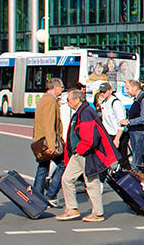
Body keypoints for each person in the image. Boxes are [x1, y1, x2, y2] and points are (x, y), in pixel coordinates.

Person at [58, 83, 115, 222]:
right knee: (68, 179)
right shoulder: (82, 111)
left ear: (77, 100)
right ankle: (72, 209)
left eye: (69, 100)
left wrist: (79, 150)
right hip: (80, 153)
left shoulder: (85, 112)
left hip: (85, 153)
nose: (68, 103)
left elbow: (89, 138)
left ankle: (97, 213)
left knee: (91, 182)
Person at [31, 76, 68, 209]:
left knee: (42, 168)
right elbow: (49, 123)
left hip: (41, 140)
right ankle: (50, 195)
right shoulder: (50, 101)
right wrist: (52, 144)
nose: (62, 90)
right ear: (55, 87)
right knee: (63, 164)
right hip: (48, 141)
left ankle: (37, 196)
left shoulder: (45, 99)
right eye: (61, 87)